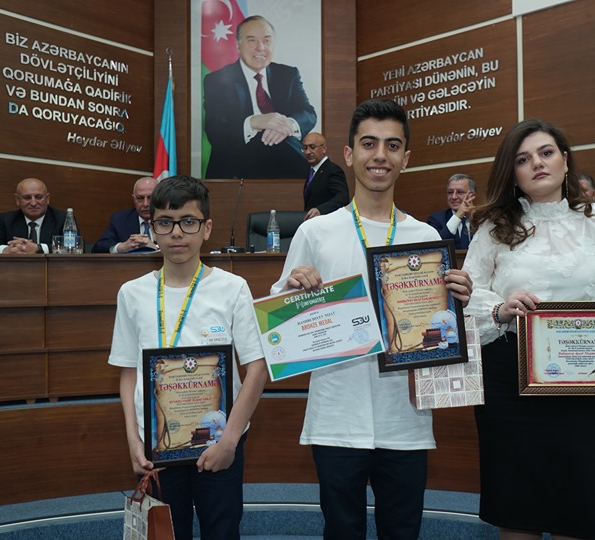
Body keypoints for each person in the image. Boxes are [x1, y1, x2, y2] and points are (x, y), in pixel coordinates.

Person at [462, 119, 595, 540]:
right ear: (513, 173)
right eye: (523, 159)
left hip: (587, 379)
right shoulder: (494, 227)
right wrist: (500, 309)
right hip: (510, 382)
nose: (537, 164)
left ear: (565, 160)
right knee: (517, 509)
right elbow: (468, 296)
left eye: (546, 153)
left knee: (580, 507)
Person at [269, 99, 473, 540]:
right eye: (369, 144)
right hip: (337, 419)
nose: (380, 155)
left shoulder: (426, 237)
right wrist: (291, 290)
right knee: (341, 532)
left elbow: (443, 330)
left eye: (392, 145)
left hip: (406, 421)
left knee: (402, 532)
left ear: (405, 158)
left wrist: (460, 301)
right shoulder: (316, 232)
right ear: (349, 154)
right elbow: (278, 318)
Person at [108, 175, 268, 539]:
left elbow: (257, 366)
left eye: (188, 222)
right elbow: (128, 373)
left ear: (206, 228)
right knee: (166, 534)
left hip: (219, 442)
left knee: (221, 530)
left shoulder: (232, 287)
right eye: (165, 222)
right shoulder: (132, 294)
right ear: (152, 228)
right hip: (156, 448)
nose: (177, 233)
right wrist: (134, 441)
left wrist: (229, 440)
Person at [203, 15, 317, 179]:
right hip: (237, 166)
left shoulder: (287, 74)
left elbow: (308, 113)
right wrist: (254, 122)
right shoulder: (218, 80)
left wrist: (285, 125)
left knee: (320, 173)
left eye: (266, 41)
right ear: (238, 45)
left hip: (286, 160)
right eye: (251, 40)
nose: (260, 48)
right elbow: (215, 130)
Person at [0, 178, 70, 254]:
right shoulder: (8, 220)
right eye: (27, 198)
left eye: (39, 197)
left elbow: (77, 247)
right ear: (17, 200)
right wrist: (6, 250)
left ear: (47, 199)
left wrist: (39, 248)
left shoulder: (62, 219)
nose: (33, 203)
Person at [92, 176, 159, 253]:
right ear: (134, 200)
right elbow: (98, 248)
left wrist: (156, 248)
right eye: (140, 198)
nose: (145, 204)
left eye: (151, 198)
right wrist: (121, 247)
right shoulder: (120, 220)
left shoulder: (170, 220)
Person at [302, 132, 349, 219]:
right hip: (313, 224)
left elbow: (343, 198)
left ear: (324, 148)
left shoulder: (332, 170)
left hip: (327, 223)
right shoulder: (313, 171)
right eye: (305, 148)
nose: (308, 152)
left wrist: (320, 210)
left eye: (312, 147)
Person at [426, 173, 476, 249]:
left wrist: (473, 219)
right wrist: (457, 216)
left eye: (460, 192)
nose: (453, 197)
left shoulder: (484, 219)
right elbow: (437, 247)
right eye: (450, 192)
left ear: (471, 195)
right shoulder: (436, 219)